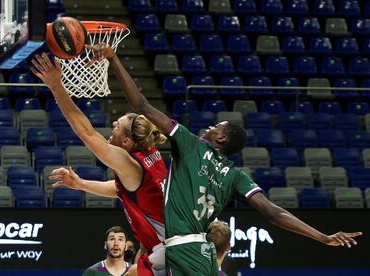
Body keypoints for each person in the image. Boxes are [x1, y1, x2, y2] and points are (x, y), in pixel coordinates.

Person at [87, 44, 363, 276]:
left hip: (183, 249)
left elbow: (140, 105)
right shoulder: (236, 176)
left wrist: (114, 59)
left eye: (216, 127)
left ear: (221, 140)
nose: (208, 128)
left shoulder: (191, 144)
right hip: (204, 254)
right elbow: (273, 213)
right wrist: (321, 236)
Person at [31, 53, 167, 276]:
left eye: (117, 126)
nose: (113, 124)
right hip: (169, 247)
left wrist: (56, 87)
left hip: (170, 250)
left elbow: (87, 133)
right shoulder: (150, 153)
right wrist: (81, 184)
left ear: (126, 142)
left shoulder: (131, 165)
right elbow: (121, 189)